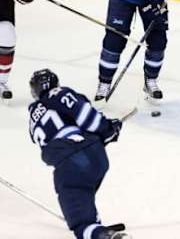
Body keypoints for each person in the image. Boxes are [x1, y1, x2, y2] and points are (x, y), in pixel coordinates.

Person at [28, 69, 131, 239]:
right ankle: (97, 227)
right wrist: (107, 129)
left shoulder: (33, 116)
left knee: (82, 224)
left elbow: (59, 137)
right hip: (95, 156)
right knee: (85, 195)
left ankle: (102, 234)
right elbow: (86, 116)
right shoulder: (59, 94)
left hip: (70, 165)